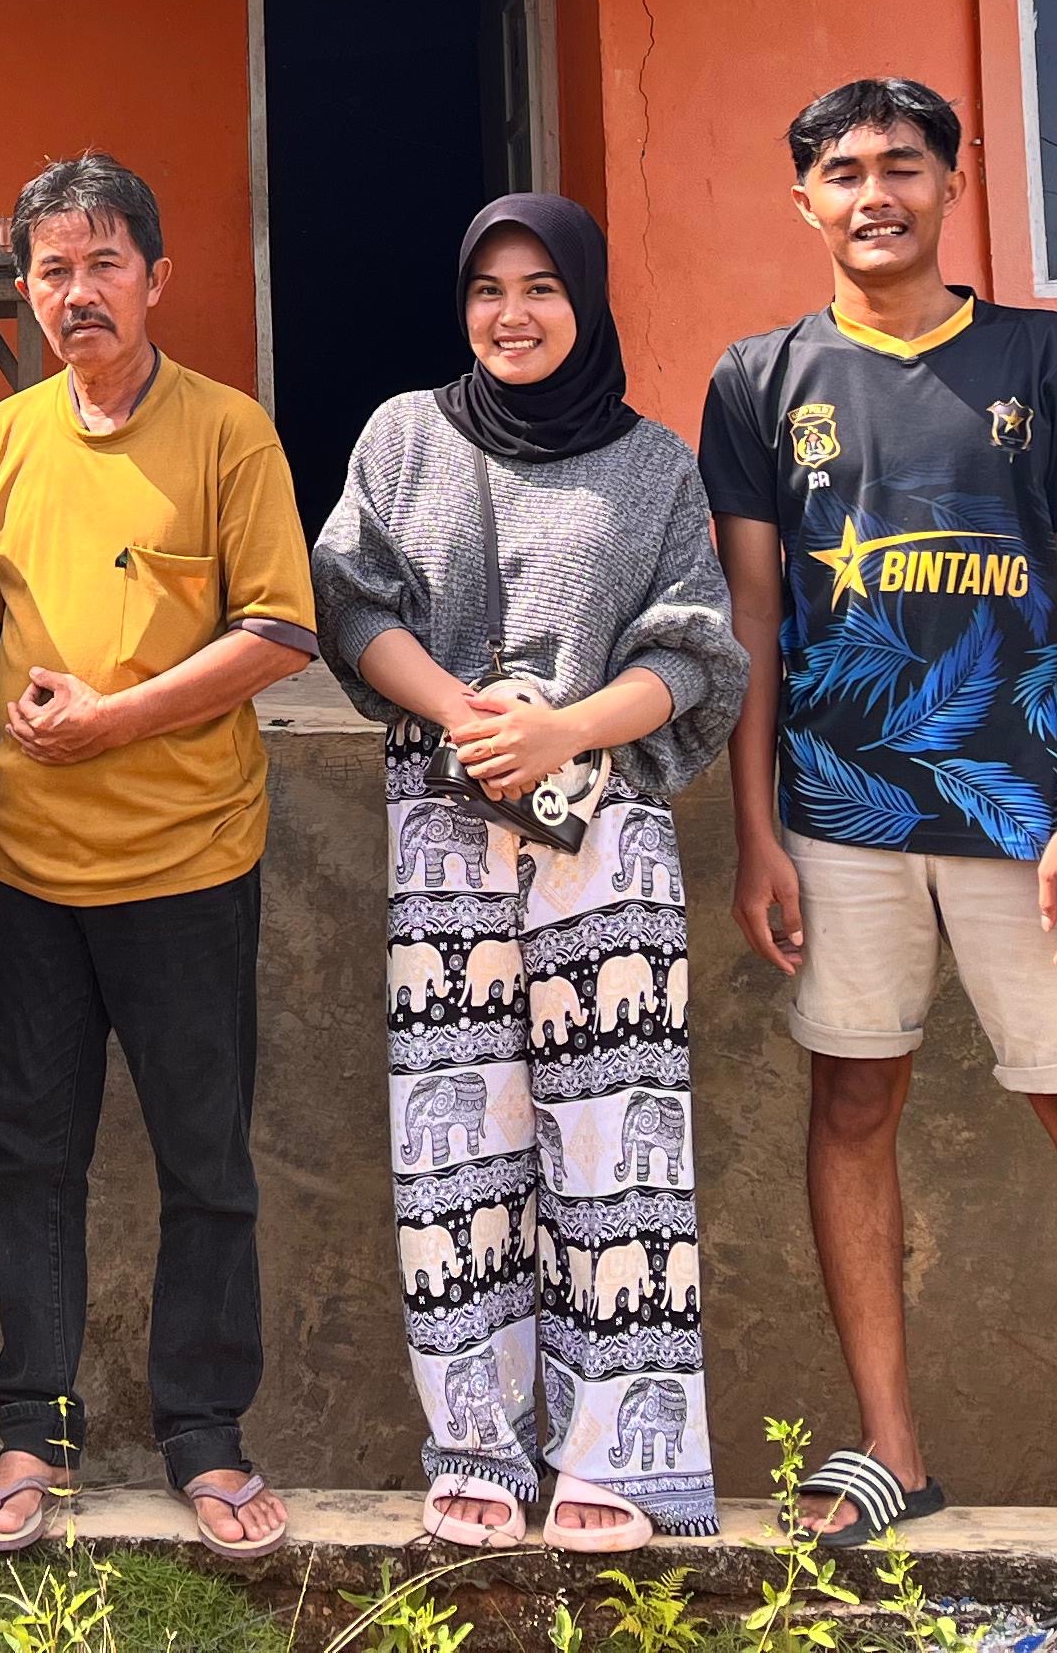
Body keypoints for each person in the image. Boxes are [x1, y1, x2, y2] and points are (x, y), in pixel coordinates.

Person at [707, 78, 1057, 1632]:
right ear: (804, 202)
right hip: (840, 813)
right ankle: (890, 1444)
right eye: (842, 171)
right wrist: (757, 829)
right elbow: (754, 621)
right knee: (851, 1101)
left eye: (904, 165)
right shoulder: (760, 380)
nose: (874, 193)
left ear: (954, 184)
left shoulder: (1048, 359)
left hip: (1021, 813)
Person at [309, 194, 745, 1555]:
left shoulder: (655, 465)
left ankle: (619, 1450)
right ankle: (479, 1446)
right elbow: (351, 599)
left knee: (617, 1142)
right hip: (444, 817)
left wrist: (562, 729)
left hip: (605, 820)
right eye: (489, 288)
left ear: (588, 300)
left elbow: (694, 650)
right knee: (459, 1141)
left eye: (543, 287)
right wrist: (462, 711)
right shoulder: (402, 436)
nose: (513, 313)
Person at [0, 153, 315, 1558]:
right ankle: (34, 1425)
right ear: (25, 289)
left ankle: (205, 1434)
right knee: (29, 1161)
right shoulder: (5, 438)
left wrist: (115, 720)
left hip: (188, 864)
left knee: (204, 1161)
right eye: (52, 269)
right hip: (31, 869)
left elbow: (279, 632)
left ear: (157, 277)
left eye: (104, 263)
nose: (78, 292)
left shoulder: (230, 433)